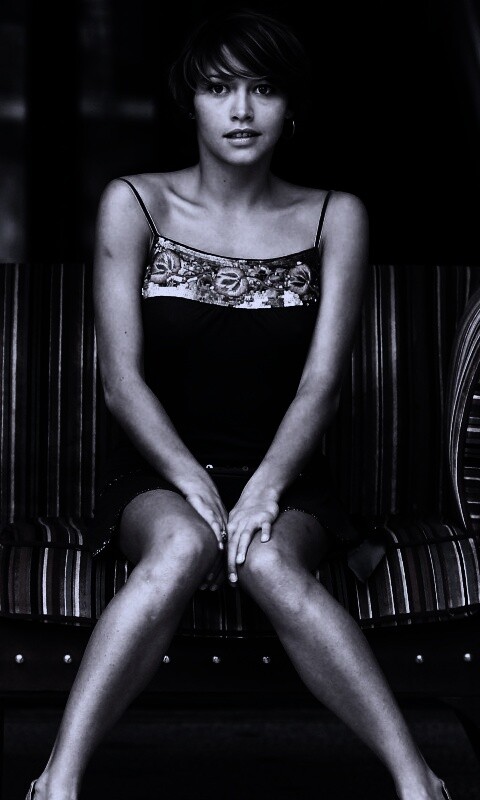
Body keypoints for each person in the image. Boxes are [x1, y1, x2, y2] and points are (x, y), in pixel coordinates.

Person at [26, 7, 452, 800]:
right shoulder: (136, 204)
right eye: (220, 88)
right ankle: (57, 783)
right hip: (158, 473)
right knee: (182, 545)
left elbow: (322, 385)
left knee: (265, 557)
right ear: (189, 102)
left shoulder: (334, 215)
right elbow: (121, 382)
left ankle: (417, 783)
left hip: (288, 475)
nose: (243, 110)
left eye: (263, 88)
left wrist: (262, 491)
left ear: (292, 108)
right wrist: (191, 479)